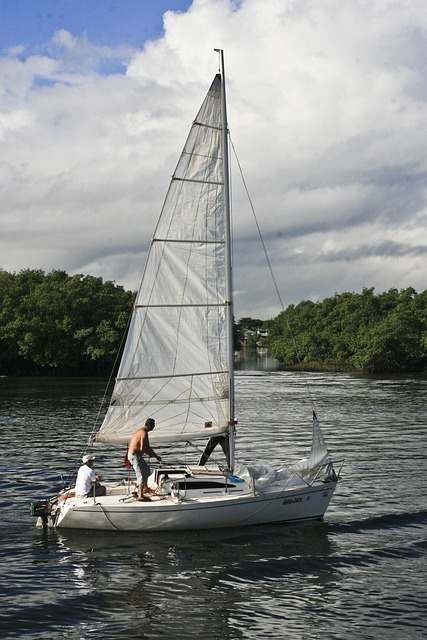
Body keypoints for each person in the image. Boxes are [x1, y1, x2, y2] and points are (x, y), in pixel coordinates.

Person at [128, 418, 162, 502]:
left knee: (146, 469)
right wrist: (149, 454)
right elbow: (142, 448)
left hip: (138, 455)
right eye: (153, 425)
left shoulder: (144, 432)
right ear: (149, 425)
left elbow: (148, 447)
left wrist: (155, 456)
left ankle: (145, 488)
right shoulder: (143, 433)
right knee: (141, 473)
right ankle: (140, 495)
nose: (154, 427)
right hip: (134, 455)